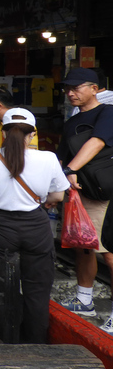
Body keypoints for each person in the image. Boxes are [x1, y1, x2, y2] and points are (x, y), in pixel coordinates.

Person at [0, 108, 69, 343]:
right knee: (37, 291)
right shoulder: (48, 158)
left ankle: (6, 339)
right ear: (32, 134)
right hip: (35, 226)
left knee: (3, 286)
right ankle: (35, 343)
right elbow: (58, 196)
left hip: (1, 226)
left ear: (3, 133)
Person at [56, 67, 113, 334]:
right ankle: (84, 299)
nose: (70, 92)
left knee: (110, 253)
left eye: (77, 87)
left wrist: (70, 170)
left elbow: (98, 142)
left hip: (107, 193)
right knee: (84, 246)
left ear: (95, 89)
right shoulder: (69, 123)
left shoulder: (108, 113)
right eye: (68, 88)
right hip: (83, 193)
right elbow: (62, 157)